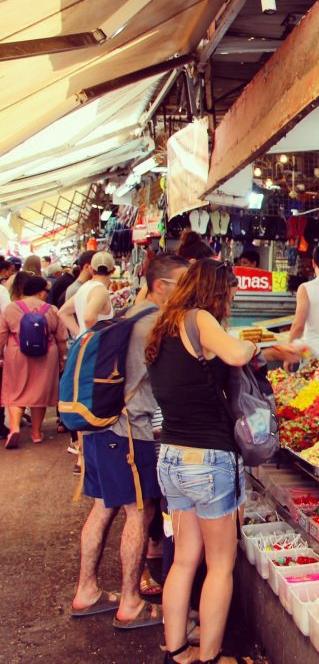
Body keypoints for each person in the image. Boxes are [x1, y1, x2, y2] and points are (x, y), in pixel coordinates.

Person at [145, 258, 259, 664]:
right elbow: (236, 354)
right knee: (220, 564)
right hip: (208, 461)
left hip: (172, 458)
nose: (230, 299)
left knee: (183, 562)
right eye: (229, 292)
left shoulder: (163, 324)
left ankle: (176, 652)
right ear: (214, 290)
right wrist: (254, 343)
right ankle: (210, 657)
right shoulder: (199, 318)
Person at [70, 254, 190, 632]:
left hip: (98, 425)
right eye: (182, 284)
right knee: (139, 511)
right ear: (160, 286)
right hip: (126, 432)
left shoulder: (130, 313)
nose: (188, 292)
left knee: (102, 507)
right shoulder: (157, 323)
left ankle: (86, 591)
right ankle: (130, 601)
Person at [0, 274, 67, 447]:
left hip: (17, 353)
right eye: (45, 291)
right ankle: (36, 433)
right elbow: (61, 338)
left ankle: (14, 428)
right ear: (39, 292)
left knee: (16, 391)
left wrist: (1, 354)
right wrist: (62, 358)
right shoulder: (51, 309)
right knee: (39, 394)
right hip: (46, 354)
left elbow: (2, 335)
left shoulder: (11, 308)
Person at [59, 251, 115, 337]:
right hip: (97, 348)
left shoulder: (84, 288)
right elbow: (89, 318)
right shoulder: (100, 290)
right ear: (113, 270)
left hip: (85, 346)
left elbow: (63, 312)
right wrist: (95, 339)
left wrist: (80, 334)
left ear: (91, 269)